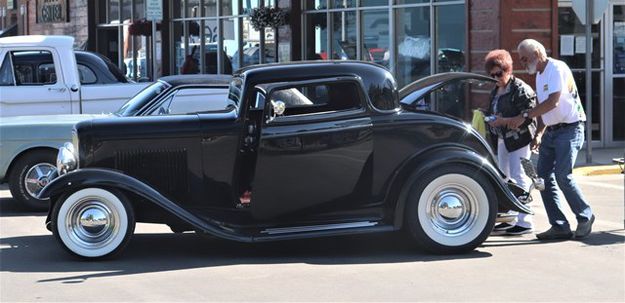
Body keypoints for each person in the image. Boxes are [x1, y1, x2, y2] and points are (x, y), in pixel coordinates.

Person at [508, 39, 594, 240]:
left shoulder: (556, 68)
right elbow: (544, 108)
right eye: (520, 59)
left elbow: (553, 102)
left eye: (525, 58)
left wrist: (526, 116)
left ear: (537, 54)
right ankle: (559, 225)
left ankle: (585, 216)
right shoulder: (539, 74)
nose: (522, 63)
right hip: (552, 131)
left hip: (570, 129)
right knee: (543, 179)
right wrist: (539, 132)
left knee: (563, 175)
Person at [483, 49, 537, 236]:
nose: (496, 77)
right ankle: (511, 217)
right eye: (492, 75)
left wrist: (503, 121)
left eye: (499, 73)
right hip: (502, 138)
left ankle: (525, 220)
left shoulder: (520, 89)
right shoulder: (496, 90)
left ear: (508, 69)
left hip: (519, 139)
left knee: (519, 175)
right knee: (504, 177)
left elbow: (529, 115)